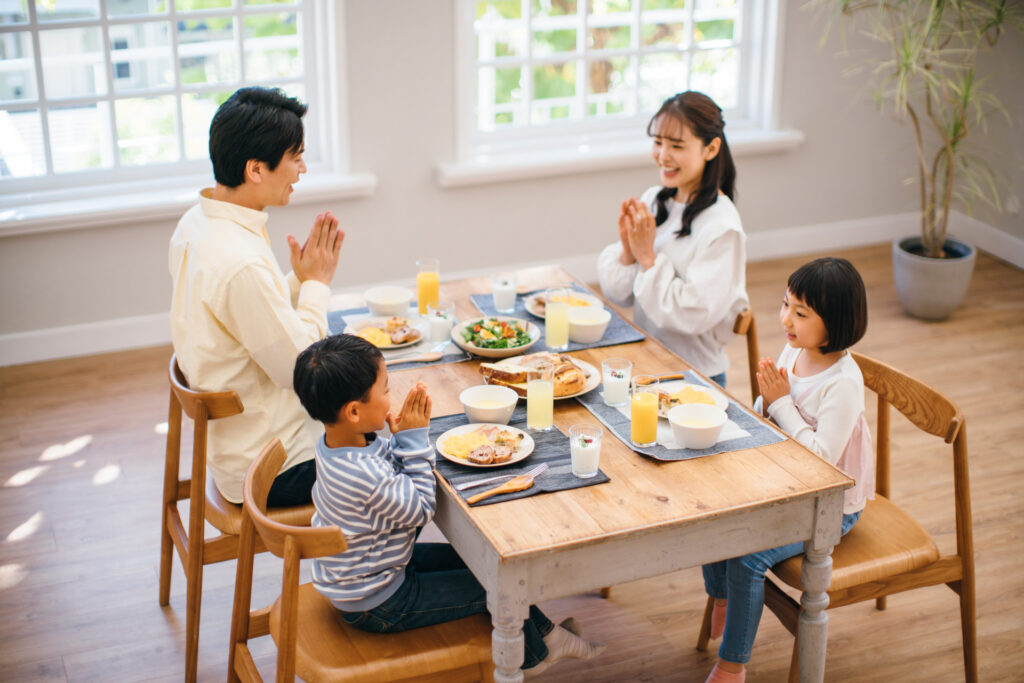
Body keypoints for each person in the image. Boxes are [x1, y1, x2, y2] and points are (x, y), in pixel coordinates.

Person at [292, 334, 605, 674]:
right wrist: (413, 440)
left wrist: (401, 441)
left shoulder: (338, 445)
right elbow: (421, 510)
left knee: (478, 560)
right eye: (384, 390)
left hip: (370, 572)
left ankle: (548, 637)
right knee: (494, 586)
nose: (390, 397)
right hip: (378, 602)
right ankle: (534, 658)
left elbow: (388, 475)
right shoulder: (360, 473)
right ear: (354, 411)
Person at [169, 86, 344, 507]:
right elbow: (302, 371)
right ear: (256, 169)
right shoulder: (239, 260)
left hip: (235, 451)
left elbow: (244, 315)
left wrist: (299, 281)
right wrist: (318, 283)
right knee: (403, 444)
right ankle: (388, 573)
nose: (302, 169)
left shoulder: (197, 224)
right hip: (274, 466)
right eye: (295, 157)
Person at [701, 257, 873, 682]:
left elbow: (821, 458)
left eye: (800, 312)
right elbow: (767, 413)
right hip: (785, 482)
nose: (785, 320)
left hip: (831, 504)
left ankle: (732, 665)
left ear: (834, 323)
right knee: (708, 510)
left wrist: (780, 403)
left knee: (748, 555)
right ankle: (724, 599)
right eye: (785, 305)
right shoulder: (794, 350)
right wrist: (764, 404)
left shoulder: (843, 384)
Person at [597, 91, 748, 387]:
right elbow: (619, 295)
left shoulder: (722, 227)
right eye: (658, 142)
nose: (663, 156)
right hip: (644, 362)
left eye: (676, 145)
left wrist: (648, 260)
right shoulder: (655, 200)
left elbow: (693, 314)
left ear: (711, 148)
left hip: (694, 377)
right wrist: (628, 250)